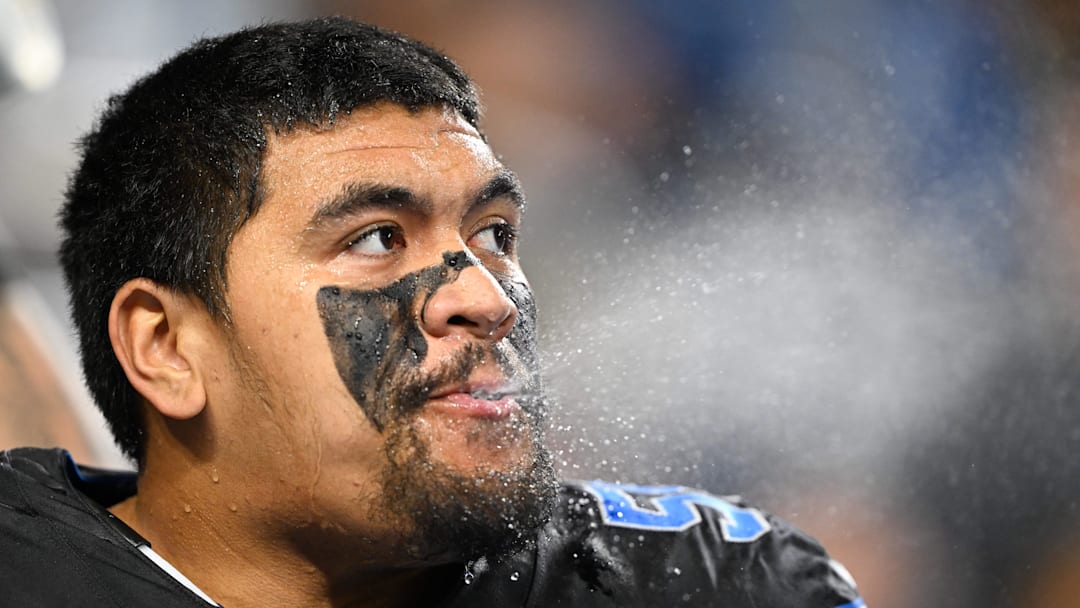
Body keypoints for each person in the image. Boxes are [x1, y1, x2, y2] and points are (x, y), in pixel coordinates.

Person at [0, 17, 865, 607]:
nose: (486, 299)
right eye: (377, 239)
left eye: (494, 234)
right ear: (166, 348)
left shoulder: (710, 585)